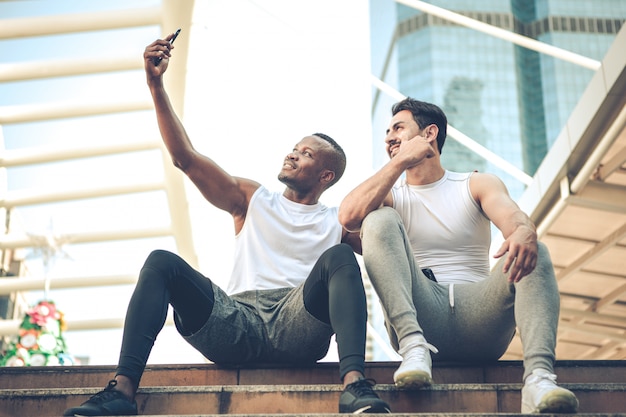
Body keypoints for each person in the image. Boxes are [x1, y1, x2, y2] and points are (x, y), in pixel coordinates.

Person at [63, 32, 390, 416]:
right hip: (237, 322)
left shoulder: (339, 222)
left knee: (340, 257)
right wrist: (155, 85)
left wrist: (398, 165)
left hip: (298, 324)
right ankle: (121, 392)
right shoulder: (251, 199)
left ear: (326, 175)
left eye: (306, 153)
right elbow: (185, 158)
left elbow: (391, 247)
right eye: (294, 147)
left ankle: (354, 388)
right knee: (161, 262)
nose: (293, 154)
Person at [338, 97, 579, 414]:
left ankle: (538, 379)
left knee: (535, 247)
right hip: (422, 316)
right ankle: (414, 347)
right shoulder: (391, 199)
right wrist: (397, 163)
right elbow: (348, 217)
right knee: (376, 220)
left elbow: (514, 219)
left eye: (398, 128)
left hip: (481, 318)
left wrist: (523, 232)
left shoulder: (476, 183)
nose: (388, 138)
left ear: (429, 134)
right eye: (386, 132)